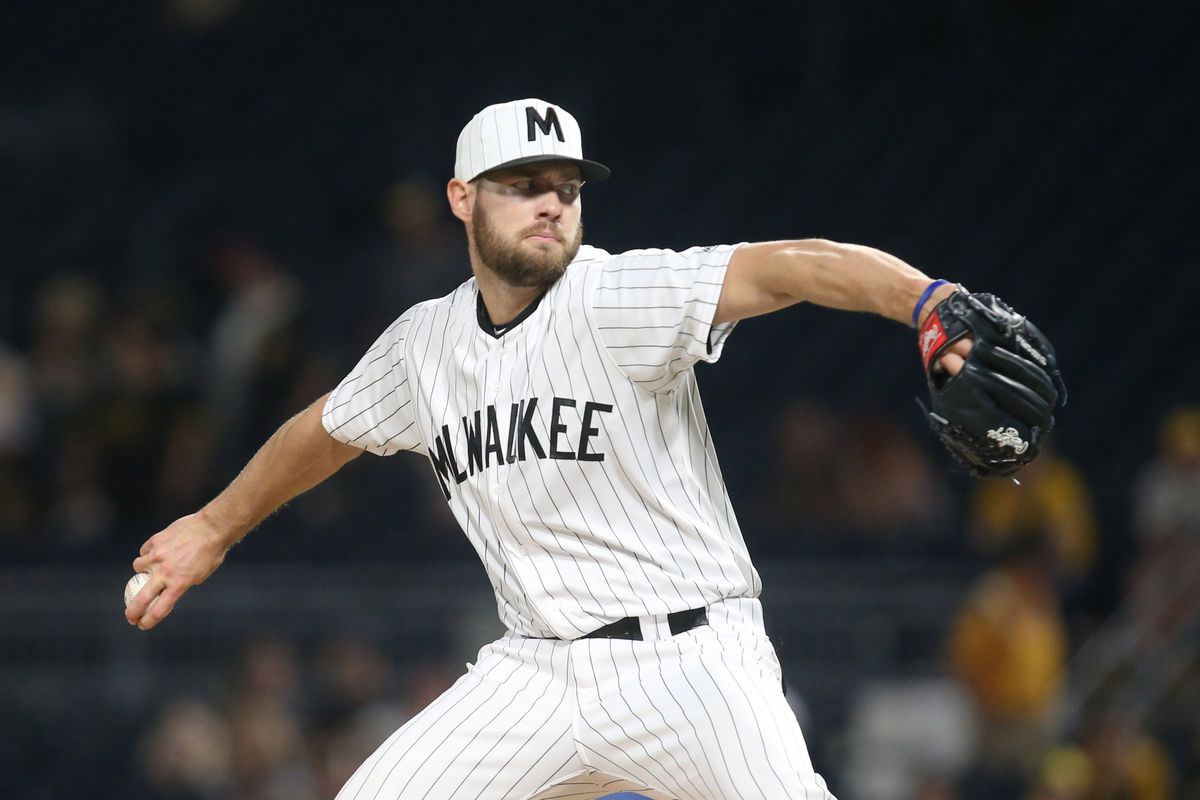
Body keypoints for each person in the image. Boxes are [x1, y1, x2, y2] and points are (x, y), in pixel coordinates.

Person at [127, 98, 1001, 800]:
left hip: (690, 664)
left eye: (567, 185)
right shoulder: (422, 344)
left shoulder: (619, 294)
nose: (552, 201)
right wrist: (212, 525)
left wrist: (925, 301)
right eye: (522, 182)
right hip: (535, 671)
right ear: (462, 197)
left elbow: (790, 266)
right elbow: (321, 433)